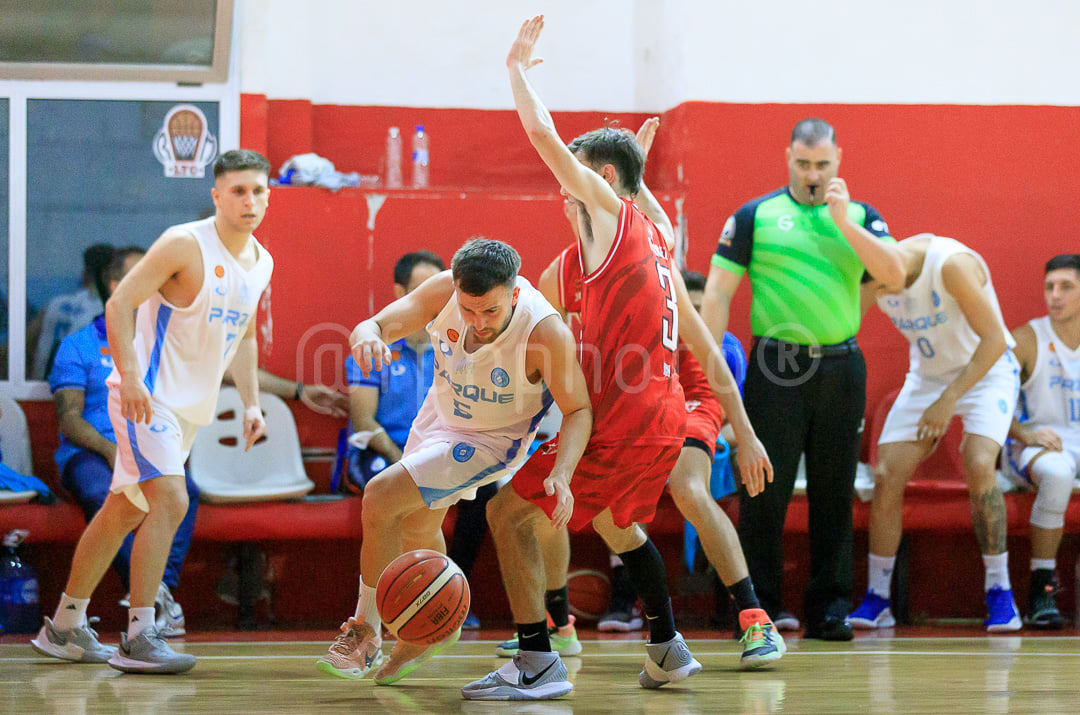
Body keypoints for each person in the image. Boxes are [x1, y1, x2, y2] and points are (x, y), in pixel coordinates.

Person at [462, 16, 772, 701]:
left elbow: (546, 139)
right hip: (658, 418)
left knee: (507, 513)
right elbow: (650, 210)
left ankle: (539, 658)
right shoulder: (657, 239)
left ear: (602, 180)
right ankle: (665, 645)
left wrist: (515, 71)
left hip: (625, 415)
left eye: (575, 180)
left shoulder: (611, 216)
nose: (562, 191)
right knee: (614, 520)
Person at [31, 149, 275, 674]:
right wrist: (133, 377)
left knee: (124, 509)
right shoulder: (184, 243)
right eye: (237, 190)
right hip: (146, 397)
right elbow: (119, 304)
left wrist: (252, 403)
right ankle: (140, 632)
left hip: (190, 410)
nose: (249, 200)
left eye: (258, 190)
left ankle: (65, 625)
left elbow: (246, 338)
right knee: (170, 498)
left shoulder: (261, 260)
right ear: (216, 195)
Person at [315, 238, 593, 689]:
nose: (478, 324)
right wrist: (365, 336)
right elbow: (375, 325)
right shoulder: (444, 289)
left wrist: (563, 471)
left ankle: (365, 631)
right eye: (469, 310)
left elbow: (579, 409)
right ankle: (436, 625)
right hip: (440, 415)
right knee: (417, 528)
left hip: (491, 440)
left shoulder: (544, 332)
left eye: (491, 312)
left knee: (381, 496)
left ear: (515, 294)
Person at [701, 117, 905, 640]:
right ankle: (759, 606)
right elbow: (719, 293)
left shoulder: (861, 216)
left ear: (839, 159)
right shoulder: (755, 216)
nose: (813, 174)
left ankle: (828, 608)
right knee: (763, 488)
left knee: (835, 491)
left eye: (822, 165)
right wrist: (710, 367)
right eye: (803, 164)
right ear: (788, 157)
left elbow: (896, 273)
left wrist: (846, 223)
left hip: (842, 366)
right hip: (776, 365)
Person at [849, 234, 1021, 632]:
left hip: (987, 373)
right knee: (887, 475)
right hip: (927, 379)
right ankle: (878, 597)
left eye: (885, 285)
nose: (881, 293)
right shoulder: (874, 273)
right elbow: (845, 324)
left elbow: (996, 340)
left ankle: (1001, 591)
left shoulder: (950, 265)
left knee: (978, 463)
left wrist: (949, 400)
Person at [49, 247, 195, 639]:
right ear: (118, 286)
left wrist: (297, 390)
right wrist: (112, 450)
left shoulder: (163, 343)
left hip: (146, 446)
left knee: (184, 492)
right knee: (106, 495)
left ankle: (158, 590)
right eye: (145, 275)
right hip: (92, 454)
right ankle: (144, 599)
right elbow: (70, 419)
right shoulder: (77, 346)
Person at [343, 249, 492, 629]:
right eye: (420, 288)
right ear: (401, 291)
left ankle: (449, 598)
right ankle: (381, 612)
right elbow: (362, 420)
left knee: (485, 496)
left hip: (436, 451)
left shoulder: (458, 346)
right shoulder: (377, 344)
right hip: (378, 449)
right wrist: (404, 463)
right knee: (389, 493)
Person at [1001, 254, 1080, 629]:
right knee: (1058, 475)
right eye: (1050, 286)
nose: (1055, 295)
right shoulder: (1026, 338)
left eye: (1066, 286)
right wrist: (1025, 434)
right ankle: (1041, 587)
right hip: (1034, 441)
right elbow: (990, 401)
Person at [30, 243, 115, 380]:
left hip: (43, 388)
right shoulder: (111, 309)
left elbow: (27, 346)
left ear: (85, 274)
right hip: (87, 387)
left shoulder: (54, 305)